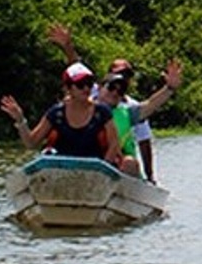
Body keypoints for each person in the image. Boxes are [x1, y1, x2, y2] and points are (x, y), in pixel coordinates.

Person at [47, 24, 160, 183]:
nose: (116, 89)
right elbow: (76, 68)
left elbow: (144, 141)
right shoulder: (90, 92)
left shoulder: (131, 108)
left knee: (128, 163)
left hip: (116, 162)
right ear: (104, 82)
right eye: (117, 77)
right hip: (89, 155)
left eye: (126, 77)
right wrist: (67, 46)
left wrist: (150, 178)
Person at [0, 62, 133, 172]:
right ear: (68, 88)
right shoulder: (56, 113)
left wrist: (103, 169)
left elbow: (114, 144)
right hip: (62, 170)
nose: (86, 88)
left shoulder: (102, 112)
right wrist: (20, 119)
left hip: (96, 170)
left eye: (89, 83)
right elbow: (31, 142)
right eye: (80, 85)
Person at [96, 59, 183, 177]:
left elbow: (150, 105)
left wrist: (169, 88)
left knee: (129, 163)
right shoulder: (83, 107)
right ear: (100, 88)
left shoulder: (127, 112)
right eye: (111, 88)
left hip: (119, 167)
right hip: (92, 162)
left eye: (120, 90)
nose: (115, 92)